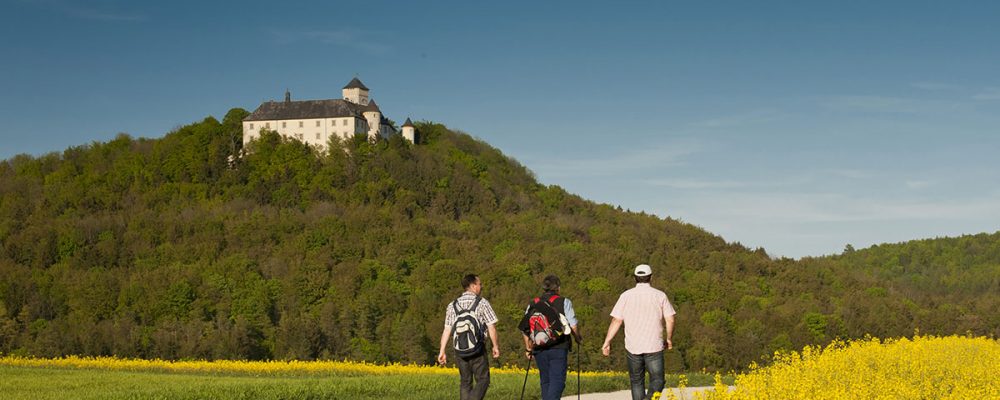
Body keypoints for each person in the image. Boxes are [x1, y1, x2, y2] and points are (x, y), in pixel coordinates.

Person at [601, 264, 677, 400]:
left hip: (633, 346)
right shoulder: (660, 295)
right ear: (651, 277)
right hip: (654, 345)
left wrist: (607, 342)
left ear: (635, 278)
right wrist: (669, 338)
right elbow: (670, 320)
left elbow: (616, 321)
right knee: (658, 380)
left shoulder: (625, 296)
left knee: (636, 381)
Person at [518, 275, 583, 400]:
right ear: (558, 288)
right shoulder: (564, 302)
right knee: (558, 381)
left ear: (544, 288)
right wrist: (577, 338)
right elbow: (573, 325)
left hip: (538, 347)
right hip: (559, 346)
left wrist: (528, 348)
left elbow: (525, 328)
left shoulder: (533, 303)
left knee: (545, 380)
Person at [438, 274, 500, 400]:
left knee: (465, 382)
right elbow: (491, 327)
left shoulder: (452, 305)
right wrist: (495, 346)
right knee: (483, 380)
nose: (481, 286)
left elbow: (447, 329)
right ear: (473, 286)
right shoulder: (482, 303)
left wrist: (442, 351)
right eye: (479, 284)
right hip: (477, 348)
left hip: (459, 349)